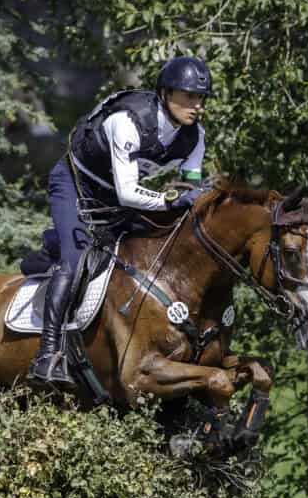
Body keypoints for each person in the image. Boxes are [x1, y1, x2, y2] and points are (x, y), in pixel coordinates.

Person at [29, 56, 214, 385]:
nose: (196, 105)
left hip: (115, 196)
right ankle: (47, 354)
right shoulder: (127, 122)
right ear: (165, 93)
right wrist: (170, 199)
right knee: (74, 261)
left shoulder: (195, 136)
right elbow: (130, 193)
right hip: (77, 186)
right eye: (189, 96)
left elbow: (189, 189)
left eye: (201, 98)